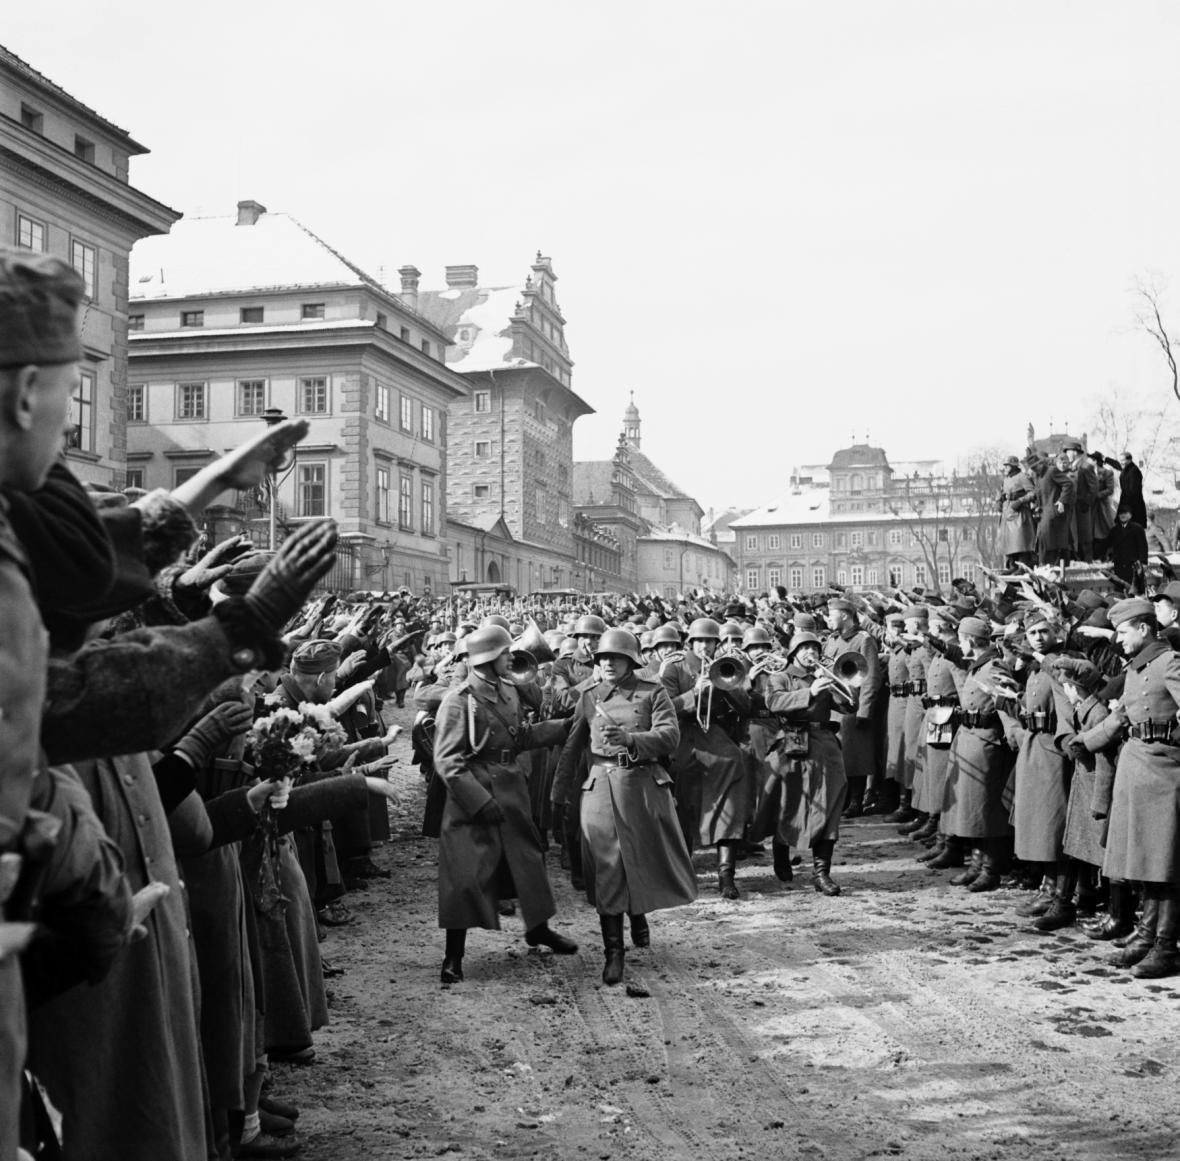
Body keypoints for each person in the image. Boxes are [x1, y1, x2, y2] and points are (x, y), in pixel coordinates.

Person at [431, 626, 576, 984]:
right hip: (473, 795)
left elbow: (521, 737)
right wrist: (479, 802)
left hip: (511, 789)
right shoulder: (458, 700)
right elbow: (447, 761)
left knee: (528, 861)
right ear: (486, 658)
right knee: (465, 875)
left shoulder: (508, 691)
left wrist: (564, 727)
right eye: (505, 653)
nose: (511, 657)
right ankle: (453, 956)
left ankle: (538, 929)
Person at [556, 628, 695, 985]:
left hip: (644, 786)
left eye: (614, 658)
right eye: (602, 658)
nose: (606, 664)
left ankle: (638, 911)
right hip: (601, 787)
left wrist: (633, 739)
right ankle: (613, 951)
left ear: (631, 660)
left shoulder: (652, 692)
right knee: (608, 867)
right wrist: (558, 795)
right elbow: (573, 746)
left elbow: (670, 735)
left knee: (641, 859)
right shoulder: (588, 695)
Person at [1095, 598, 1180, 978]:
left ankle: (1165, 945)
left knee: (1165, 864)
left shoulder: (1170, 663)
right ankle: (1146, 936)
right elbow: (1121, 716)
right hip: (1136, 770)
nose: (1118, 640)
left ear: (1144, 629)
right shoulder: (1135, 668)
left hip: (1164, 774)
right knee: (1147, 862)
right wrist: (1087, 740)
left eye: (1123, 632)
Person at [659, 617, 752, 899]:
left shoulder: (725, 665)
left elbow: (746, 706)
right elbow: (663, 708)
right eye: (699, 641)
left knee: (733, 768)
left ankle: (726, 874)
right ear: (690, 643)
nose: (704, 646)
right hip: (682, 737)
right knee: (683, 802)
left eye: (710, 642)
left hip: (714, 735)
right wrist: (693, 693)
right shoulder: (674, 667)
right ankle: (682, 870)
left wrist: (727, 684)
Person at [754, 631, 849, 895]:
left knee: (828, 806)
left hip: (825, 745)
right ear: (794, 652)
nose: (812, 654)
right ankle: (781, 852)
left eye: (815, 649)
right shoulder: (780, 676)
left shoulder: (824, 676)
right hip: (793, 741)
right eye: (806, 649)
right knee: (789, 803)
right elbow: (773, 702)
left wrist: (838, 683)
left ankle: (821, 873)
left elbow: (848, 705)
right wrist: (809, 692)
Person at [938, 617, 1015, 892]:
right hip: (970, 740)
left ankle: (991, 869)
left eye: (961, 639)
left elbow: (1007, 705)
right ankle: (976, 864)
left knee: (988, 811)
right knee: (973, 810)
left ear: (970, 640)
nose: (959, 644)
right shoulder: (978, 666)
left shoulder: (994, 667)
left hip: (988, 746)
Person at [821, 597, 883, 817]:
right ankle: (842, 799)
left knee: (855, 756)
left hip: (852, 706)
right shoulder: (832, 640)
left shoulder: (863, 640)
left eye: (832, 614)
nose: (828, 619)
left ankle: (856, 801)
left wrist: (865, 710)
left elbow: (871, 678)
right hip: (832, 706)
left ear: (845, 615)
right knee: (836, 754)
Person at [998, 455, 1038, 568]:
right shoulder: (1006, 479)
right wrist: (999, 501)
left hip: (1020, 512)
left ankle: (1023, 566)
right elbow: (1002, 493)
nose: (1005, 468)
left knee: (1020, 541)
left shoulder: (1022, 477)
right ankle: (1012, 566)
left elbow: (1033, 493)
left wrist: (1020, 501)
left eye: (1007, 466)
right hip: (1007, 512)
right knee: (1008, 542)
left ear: (1013, 466)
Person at [1064, 440, 1098, 562]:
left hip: (1082, 506)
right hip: (1070, 506)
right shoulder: (1067, 467)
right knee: (1072, 534)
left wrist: (1087, 502)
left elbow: (1094, 488)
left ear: (1076, 453)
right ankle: (1076, 559)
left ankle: (1087, 561)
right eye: (1067, 452)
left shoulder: (1086, 466)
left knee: (1085, 534)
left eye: (1070, 451)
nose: (1068, 454)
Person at [1106, 506, 1149, 587]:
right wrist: (1110, 559)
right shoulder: (1115, 530)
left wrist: (1144, 562)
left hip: (1133, 565)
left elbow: (1143, 547)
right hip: (1119, 565)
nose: (1122, 515)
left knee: (1134, 588)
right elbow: (1109, 546)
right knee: (1120, 588)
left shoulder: (1138, 528)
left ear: (1130, 515)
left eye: (1125, 513)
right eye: (1120, 513)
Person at [1118, 452, 1147, 528]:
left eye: (1123, 460)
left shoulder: (1134, 471)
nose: (1121, 462)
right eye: (1120, 460)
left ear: (1129, 460)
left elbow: (1132, 491)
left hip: (1133, 506)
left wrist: (1126, 508)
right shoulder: (1126, 470)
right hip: (1126, 504)